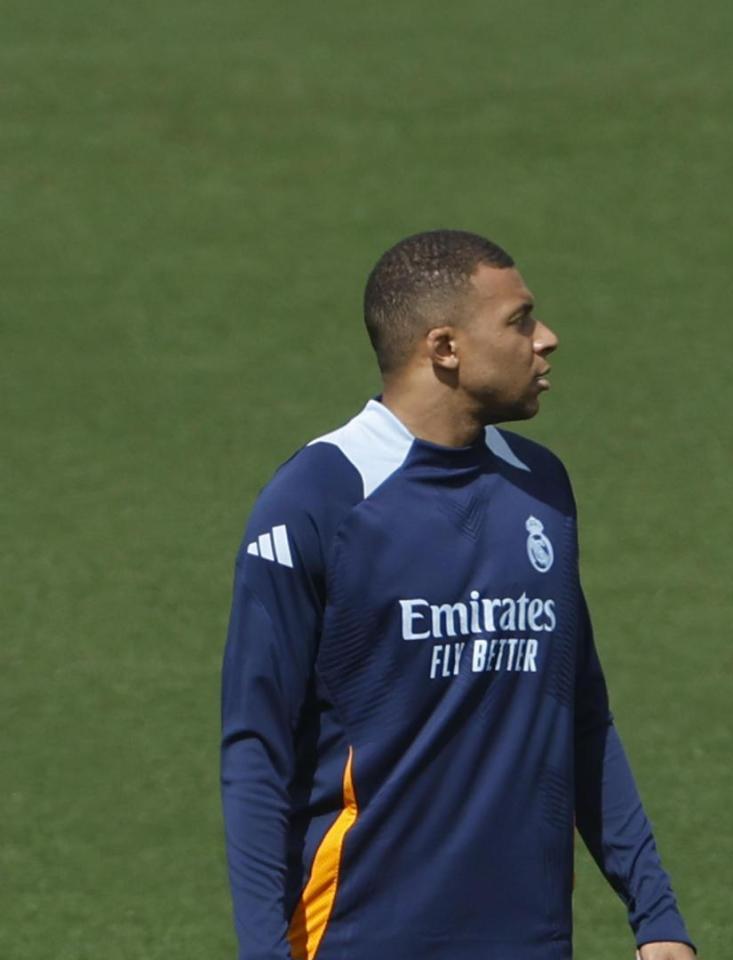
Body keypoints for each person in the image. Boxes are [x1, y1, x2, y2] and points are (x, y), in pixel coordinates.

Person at [219, 230, 696, 960]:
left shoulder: (541, 489)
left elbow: (582, 714)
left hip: (527, 941)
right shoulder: (321, 501)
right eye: (519, 321)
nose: (547, 339)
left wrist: (656, 915)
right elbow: (257, 747)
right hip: (358, 936)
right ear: (444, 347)